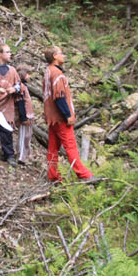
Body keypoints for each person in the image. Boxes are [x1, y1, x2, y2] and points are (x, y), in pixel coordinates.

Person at [43, 46, 96, 183]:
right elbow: (59, 97)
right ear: (55, 56)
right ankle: (84, 175)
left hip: (52, 118)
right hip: (60, 118)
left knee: (53, 148)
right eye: (61, 53)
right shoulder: (57, 74)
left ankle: (53, 175)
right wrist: (68, 115)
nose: (64, 56)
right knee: (71, 146)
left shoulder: (48, 71)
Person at [16, 64, 35, 165]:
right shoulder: (20, 87)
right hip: (25, 116)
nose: (29, 76)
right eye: (28, 74)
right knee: (23, 136)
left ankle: (26, 154)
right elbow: (20, 103)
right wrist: (23, 118)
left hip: (29, 116)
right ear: (22, 74)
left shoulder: (24, 86)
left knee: (28, 136)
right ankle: (21, 156)